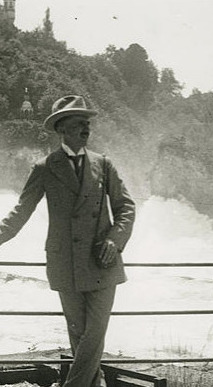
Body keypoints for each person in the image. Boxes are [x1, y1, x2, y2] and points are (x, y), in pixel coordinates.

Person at [0, 95, 136, 387]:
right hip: (66, 263)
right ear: (62, 128)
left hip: (102, 261)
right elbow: (20, 212)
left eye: (87, 123)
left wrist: (115, 240)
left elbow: (126, 207)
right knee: (79, 335)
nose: (86, 128)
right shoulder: (45, 167)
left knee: (94, 333)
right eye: (78, 123)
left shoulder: (104, 164)